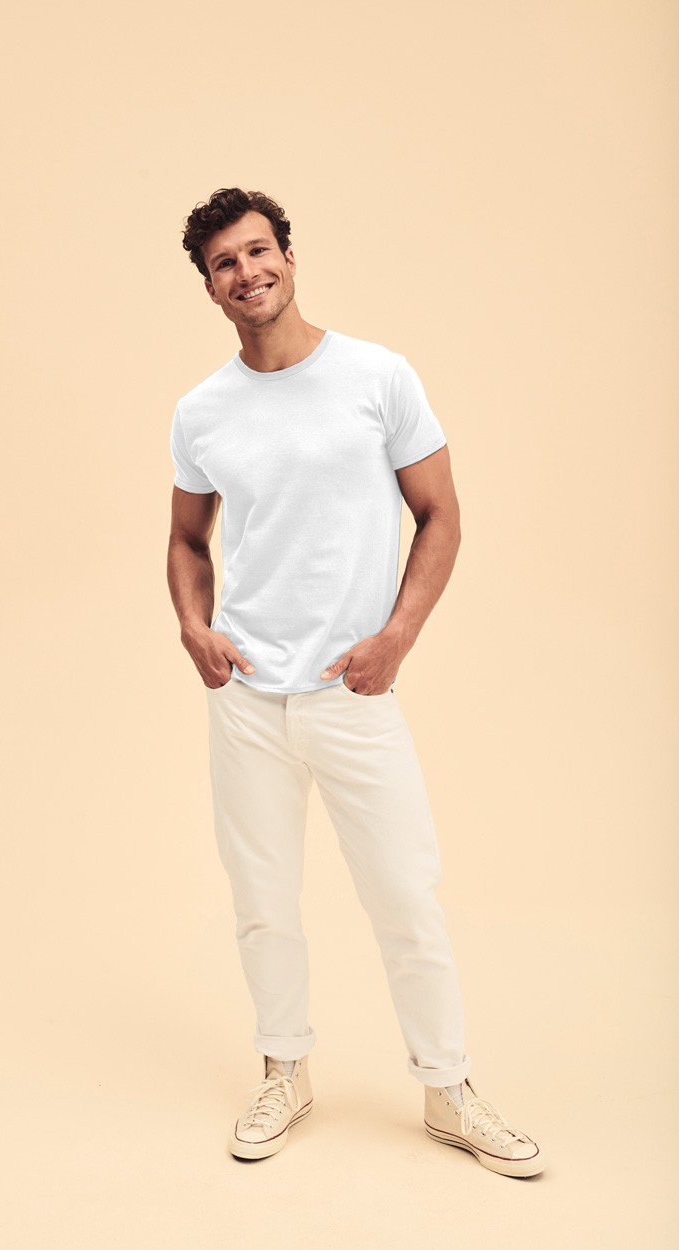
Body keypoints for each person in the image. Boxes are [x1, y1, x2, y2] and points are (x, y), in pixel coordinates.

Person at [166, 187, 545, 1177]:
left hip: (351, 690)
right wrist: (193, 627)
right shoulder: (201, 411)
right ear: (208, 288)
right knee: (262, 900)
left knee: (404, 895)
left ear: (288, 257)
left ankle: (448, 1088)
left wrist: (396, 638)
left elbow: (440, 514)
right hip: (247, 697)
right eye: (224, 263)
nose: (246, 272)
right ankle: (283, 1071)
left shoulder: (377, 376)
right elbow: (185, 538)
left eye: (258, 251)